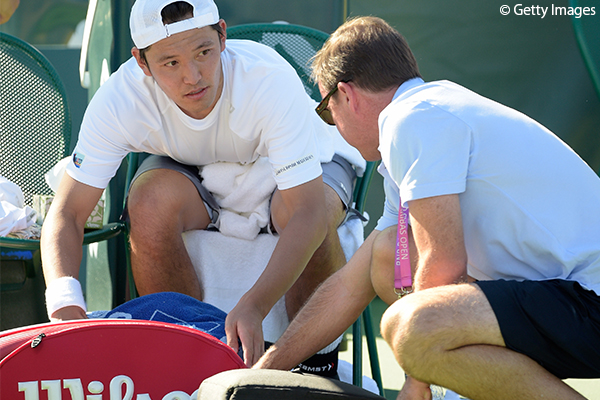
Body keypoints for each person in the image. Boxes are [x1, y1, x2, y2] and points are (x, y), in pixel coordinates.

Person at [254, 16, 600, 400]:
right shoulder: (425, 113)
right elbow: (355, 280)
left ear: (347, 95)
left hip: (589, 303)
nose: (331, 124)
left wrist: (415, 378)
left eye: (326, 111)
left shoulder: (414, 119)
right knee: (387, 256)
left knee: (413, 327)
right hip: (570, 300)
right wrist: (262, 372)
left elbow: (444, 265)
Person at [40, 0, 365, 370]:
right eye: (170, 63)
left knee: (317, 208)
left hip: (300, 163)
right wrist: (65, 303)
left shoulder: (268, 79)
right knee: (148, 201)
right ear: (141, 62)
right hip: (199, 170)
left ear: (223, 36)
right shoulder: (119, 100)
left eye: (203, 52)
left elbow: (307, 213)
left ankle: (312, 365)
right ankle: (181, 355)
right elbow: (67, 210)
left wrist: (255, 304)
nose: (192, 76)